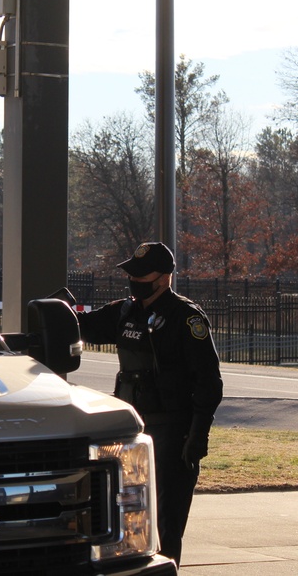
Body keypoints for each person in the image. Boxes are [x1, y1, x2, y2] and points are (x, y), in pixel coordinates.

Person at [76, 242, 223, 566]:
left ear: (164, 278)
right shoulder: (126, 311)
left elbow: (209, 384)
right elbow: (83, 326)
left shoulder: (186, 319)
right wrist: (60, 311)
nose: (133, 280)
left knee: (166, 522)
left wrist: (198, 435)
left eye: (141, 275)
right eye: (131, 274)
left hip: (173, 431)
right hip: (131, 427)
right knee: (126, 514)